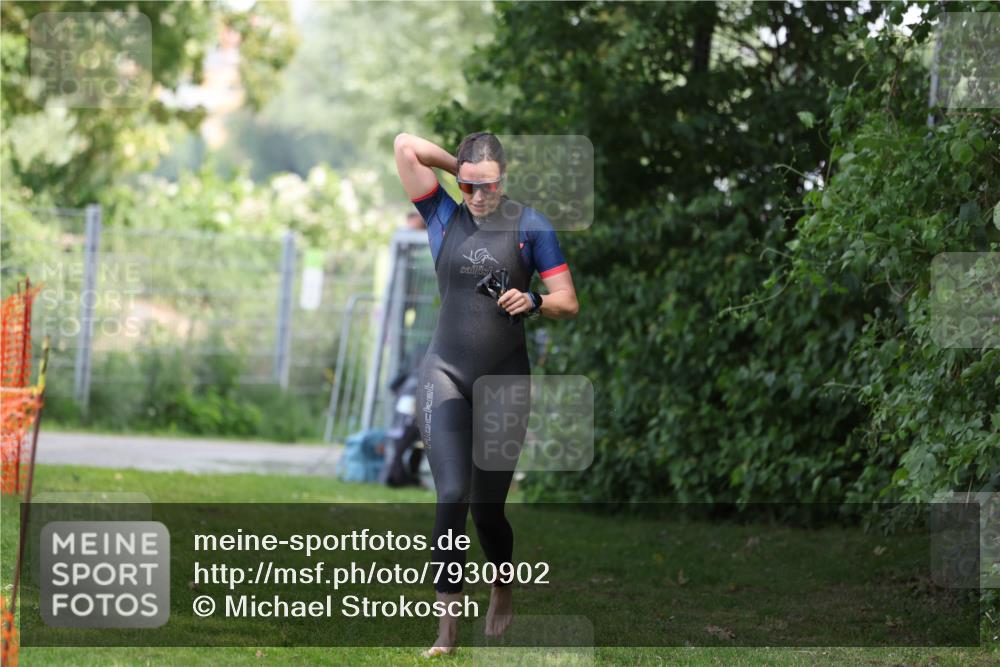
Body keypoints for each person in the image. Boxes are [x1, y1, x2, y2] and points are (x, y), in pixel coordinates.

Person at [393, 131, 579, 657]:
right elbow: (405, 145)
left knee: (487, 510)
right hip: (444, 373)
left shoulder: (530, 226)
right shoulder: (442, 216)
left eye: (488, 185)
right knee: (452, 494)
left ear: (504, 178)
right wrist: (464, 168)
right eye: (469, 186)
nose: (477, 197)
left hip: (505, 382)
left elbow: (568, 301)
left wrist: (535, 301)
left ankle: (502, 586)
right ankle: (447, 630)